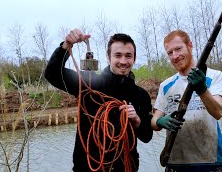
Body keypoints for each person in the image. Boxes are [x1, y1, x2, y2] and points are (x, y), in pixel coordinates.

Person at [44, 29, 153, 172]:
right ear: (108, 57)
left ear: (134, 58)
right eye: (118, 55)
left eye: (128, 56)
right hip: (88, 167)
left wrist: (137, 122)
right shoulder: (88, 84)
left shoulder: (141, 95)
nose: (123, 61)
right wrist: (66, 45)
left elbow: (147, 136)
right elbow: (52, 74)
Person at [151, 30, 222, 172]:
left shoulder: (215, 77)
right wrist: (159, 121)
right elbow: (154, 120)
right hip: (175, 164)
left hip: (210, 163)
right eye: (170, 53)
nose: (175, 56)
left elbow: (218, 112)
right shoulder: (165, 86)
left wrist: (202, 89)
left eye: (178, 49)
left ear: (190, 45)